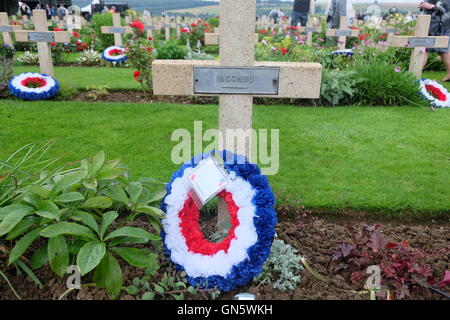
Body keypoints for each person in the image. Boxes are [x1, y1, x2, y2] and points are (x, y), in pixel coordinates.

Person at [420, 0, 450, 81]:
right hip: (437, 21)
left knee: (424, 47)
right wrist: (423, 4)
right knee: (444, 50)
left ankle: (414, 74)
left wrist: (431, 6)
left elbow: (444, 7)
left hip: (440, 22)